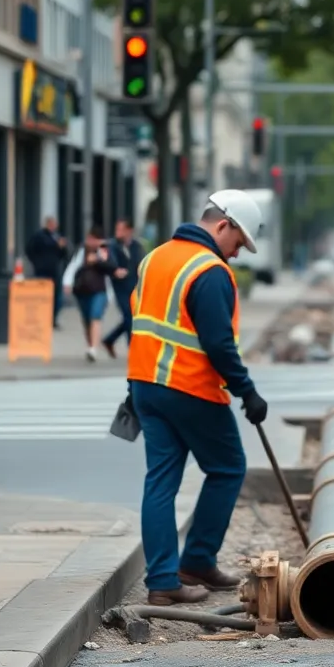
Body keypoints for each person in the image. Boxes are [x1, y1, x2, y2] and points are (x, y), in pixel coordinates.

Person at [126, 189, 269, 605]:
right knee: (227, 468)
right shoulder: (208, 271)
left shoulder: (155, 258)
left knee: (160, 483)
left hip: (145, 386)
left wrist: (133, 388)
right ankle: (198, 559)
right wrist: (248, 392)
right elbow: (219, 344)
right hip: (189, 387)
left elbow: (141, 321)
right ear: (222, 225)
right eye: (238, 242)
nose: (237, 254)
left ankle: (163, 582)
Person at [102, 218, 146, 359]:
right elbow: (109, 260)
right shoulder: (112, 245)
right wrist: (115, 269)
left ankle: (110, 340)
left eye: (121, 229)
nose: (118, 232)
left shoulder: (136, 246)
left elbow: (142, 263)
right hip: (119, 287)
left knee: (131, 316)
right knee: (129, 315)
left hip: (134, 286)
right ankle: (132, 349)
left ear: (129, 231)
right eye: (117, 229)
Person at [70, 240, 115, 361]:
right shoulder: (81, 251)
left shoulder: (104, 251)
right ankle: (90, 345)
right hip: (83, 291)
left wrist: (97, 260)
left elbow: (111, 266)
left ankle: (94, 348)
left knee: (95, 316)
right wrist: (67, 282)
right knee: (86, 319)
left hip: (100, 291)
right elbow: (73, 266)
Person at [25, 216, 69, 328]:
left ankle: (53, 319)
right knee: (42, 296)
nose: (54, 226)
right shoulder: (39, 236)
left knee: (57, 297)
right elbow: (30, 249)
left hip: (55, 270)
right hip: (42, 271)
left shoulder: (57, 237)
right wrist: (36, 263)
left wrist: (63, 248)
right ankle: (42, 319)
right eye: (52, 224)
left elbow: (63, 253)